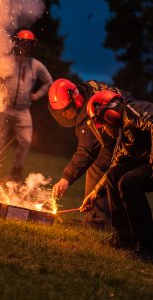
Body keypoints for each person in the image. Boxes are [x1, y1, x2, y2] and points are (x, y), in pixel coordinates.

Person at [48, 78, 130, 230]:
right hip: (119, 131)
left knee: (98, 167)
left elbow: (87, 150)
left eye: (67, 109)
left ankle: (96, 223)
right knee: (118, 178)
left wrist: (66, 178)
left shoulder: (89, 111)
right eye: (61, 112)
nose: (65, 115)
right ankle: (103, 219)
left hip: (127, 131)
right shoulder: (86, 90)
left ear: (77, 100)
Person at [80, 90, 153, 260]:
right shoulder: (124, 135)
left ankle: (148, 248)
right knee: (114, 175)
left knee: (129, 182)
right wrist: (94, 193)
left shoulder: (133, 110)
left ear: (110, 114)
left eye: (102, 124)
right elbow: (115, 165)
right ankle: (124, 238)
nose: (104, 129)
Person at [0, 29, 53, 182]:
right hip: (5, 107)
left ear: (33, 45)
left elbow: (48, 82)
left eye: (28, 43)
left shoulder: (36, 65)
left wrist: (36, 95)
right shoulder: (8, 60)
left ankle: (16, 170)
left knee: (26, 141)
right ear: (17, 43)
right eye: (22, 42)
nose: (24, 46)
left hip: (23, 110)